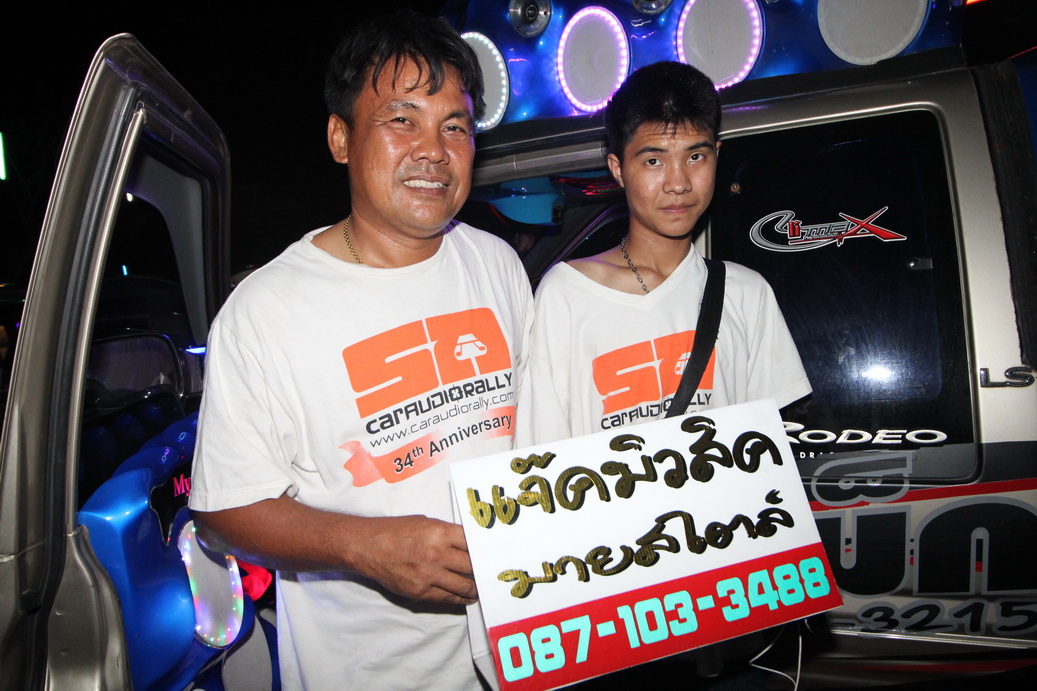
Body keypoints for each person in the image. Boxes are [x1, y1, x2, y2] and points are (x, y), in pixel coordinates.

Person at [188, 11, 533, 689]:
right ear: (341, 137)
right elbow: (222, 512)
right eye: (402, 120)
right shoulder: (264, 311)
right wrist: (366, 546)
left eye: (455, 127)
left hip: (522, 651)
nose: (434, 151)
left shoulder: (496, 262)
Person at [518, 61, 810, 447]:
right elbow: (544, 452)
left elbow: (767, 448)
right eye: (654, 161)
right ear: (618, 169)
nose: (678, 183)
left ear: (716, 155)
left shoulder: (746, 293)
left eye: (695, 157)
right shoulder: (567, 295)